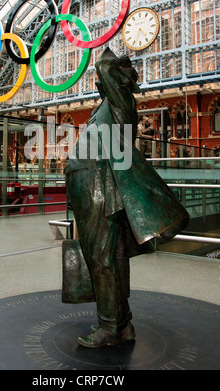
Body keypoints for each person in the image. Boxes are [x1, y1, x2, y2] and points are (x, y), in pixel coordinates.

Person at [65, 47, 189, 348]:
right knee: (113, 257)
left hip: (103, 191)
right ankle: (122, 324)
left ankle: (110, 327)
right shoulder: (105, 108)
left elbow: (104, 67)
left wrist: (114, 61)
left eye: (107, 78)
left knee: (101, 258)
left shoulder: (122, 105)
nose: (99, 84)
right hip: (94, 190)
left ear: (119, 81)